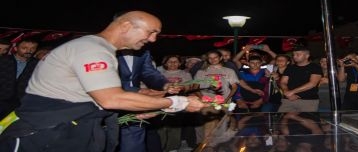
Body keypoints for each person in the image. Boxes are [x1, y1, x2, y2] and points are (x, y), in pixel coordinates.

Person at [0, 10, 205, 152]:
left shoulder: (102, 50)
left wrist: (148, 102)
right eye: (151, 32)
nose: (152, 39)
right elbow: (112, 99)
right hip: (48, 133)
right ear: (126, 26)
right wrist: (178, 103)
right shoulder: (93, 50)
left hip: (70, 128)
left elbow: (93, 94)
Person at [156, 54, 193, 152]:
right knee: (161, 127)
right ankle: (161, 147)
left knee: (175, 127)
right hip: (160, 103)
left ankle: (173, 148)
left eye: (175, 61)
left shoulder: (185, 74)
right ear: (165, 63)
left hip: (178, 103)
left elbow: (190, 86)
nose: (173, 63)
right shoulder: (159, 73)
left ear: (180, 63)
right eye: (170, 61)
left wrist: (182, 87)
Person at [0, 38, 39, 119]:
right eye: (24, 48)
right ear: (16, 48)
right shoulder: (3, 60)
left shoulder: (37, 64)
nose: (29, 51)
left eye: (32, 48)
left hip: (21, 102)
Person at [278, 46, 322, 112]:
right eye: (294, 55)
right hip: (288, 99)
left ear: (307, 56)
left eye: (298, 54)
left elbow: (312, 83)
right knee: (282, 120)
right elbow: (283, 82)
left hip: (308, 101)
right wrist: (286, 92)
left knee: (307, 120)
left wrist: (292, 92)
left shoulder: (315, 67)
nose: (295, 56)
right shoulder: (290, 68)